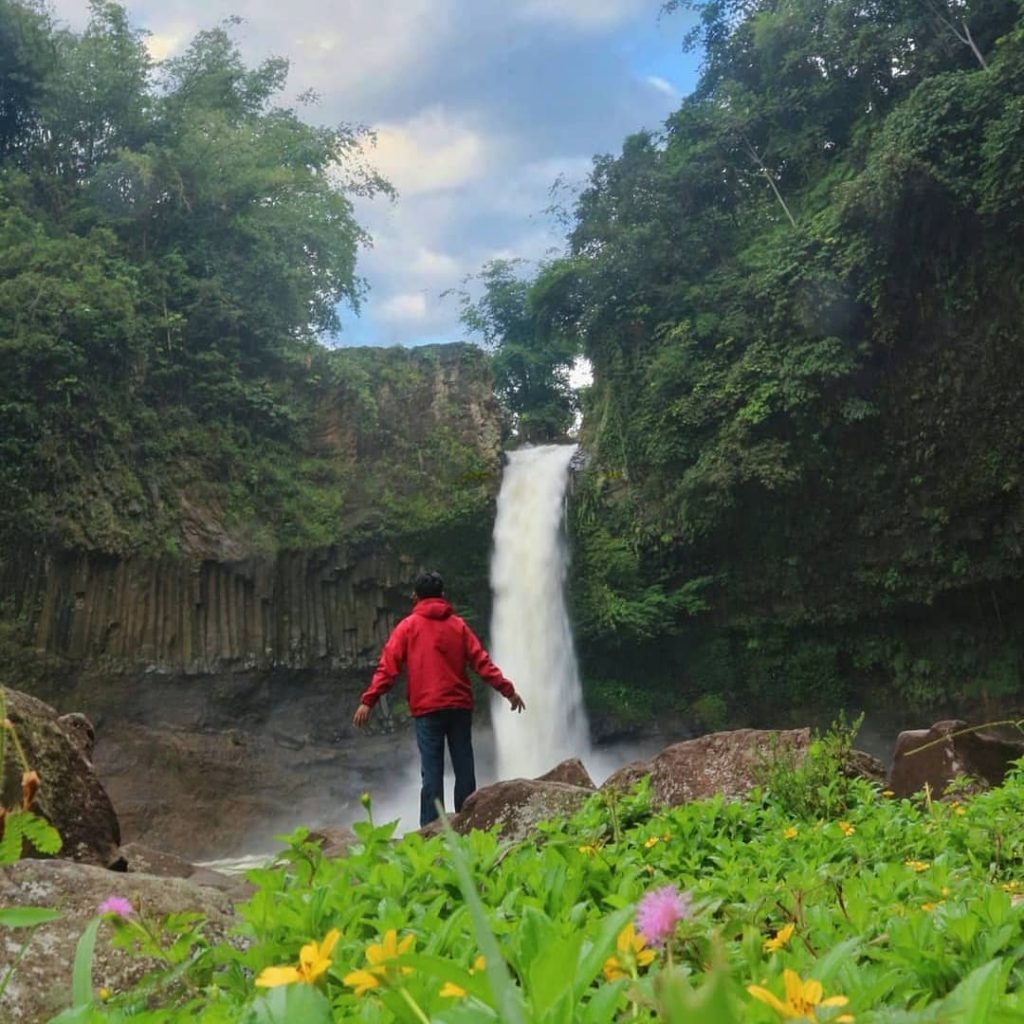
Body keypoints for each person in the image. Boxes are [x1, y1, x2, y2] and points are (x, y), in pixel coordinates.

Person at [352, 570, 525, 826]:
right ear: (443, 595)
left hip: (427, 710)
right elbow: (482, 663)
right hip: (458, 707)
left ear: (415, 597)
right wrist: (508, 691)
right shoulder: (458, 626)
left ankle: (431, 832)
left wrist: (369, 700)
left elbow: (388, 668)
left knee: (431, 773)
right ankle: (469, 824)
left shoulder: (407, 628)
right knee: (464, 768)